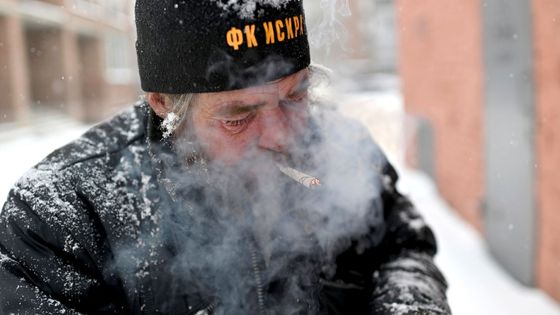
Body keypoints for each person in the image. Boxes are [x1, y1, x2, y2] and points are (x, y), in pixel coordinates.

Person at [0, 1, 451, 314]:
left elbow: (401, 246)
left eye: (296, 96)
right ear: (163, 102)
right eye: (239, 116)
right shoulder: (64, 214)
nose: (282, 136)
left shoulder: (341, 146)